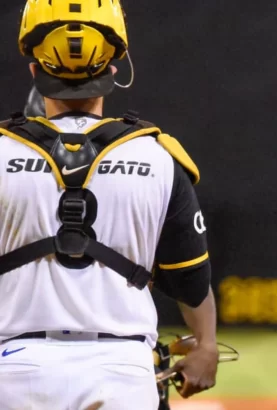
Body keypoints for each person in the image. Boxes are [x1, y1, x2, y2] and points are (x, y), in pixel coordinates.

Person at [0, 1, 219, 409]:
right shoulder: (159, 157)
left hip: (15, 371)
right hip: (123, 373)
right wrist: (206, 344)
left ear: (34, 70)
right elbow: (191, 283)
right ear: (113, 70)